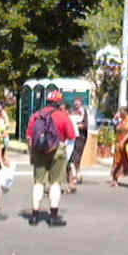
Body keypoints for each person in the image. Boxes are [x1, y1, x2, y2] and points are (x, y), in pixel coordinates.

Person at [26, 91, 75, 227]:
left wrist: (32, 154)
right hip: (57, 150)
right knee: (55, 183)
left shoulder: (36, 115)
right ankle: (53, 217)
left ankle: (35, 216)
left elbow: (29, 137)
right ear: (59, 103)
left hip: (39, 150)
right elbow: (71, 136)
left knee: (38, 183)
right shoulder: (63, 116)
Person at [68, 97, 88, 187]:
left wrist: (75, 126)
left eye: (78, 103)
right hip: (72, 137)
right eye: (75, 103)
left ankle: (76, 175)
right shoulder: (71, 111)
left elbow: (85, 125)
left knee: (76, 156)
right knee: (71, 156)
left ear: (80, 103)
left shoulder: (84, 112)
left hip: (80, 137)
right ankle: (74, 174)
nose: (76, 105)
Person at [0, 102, 11, 168]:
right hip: (2, 136)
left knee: (3, 153)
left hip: (3, 136)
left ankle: (5, 166)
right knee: (3, 153)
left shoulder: (3, 113)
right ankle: (4, 165)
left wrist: (5, 132)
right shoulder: (0, 113)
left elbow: (7, 124)